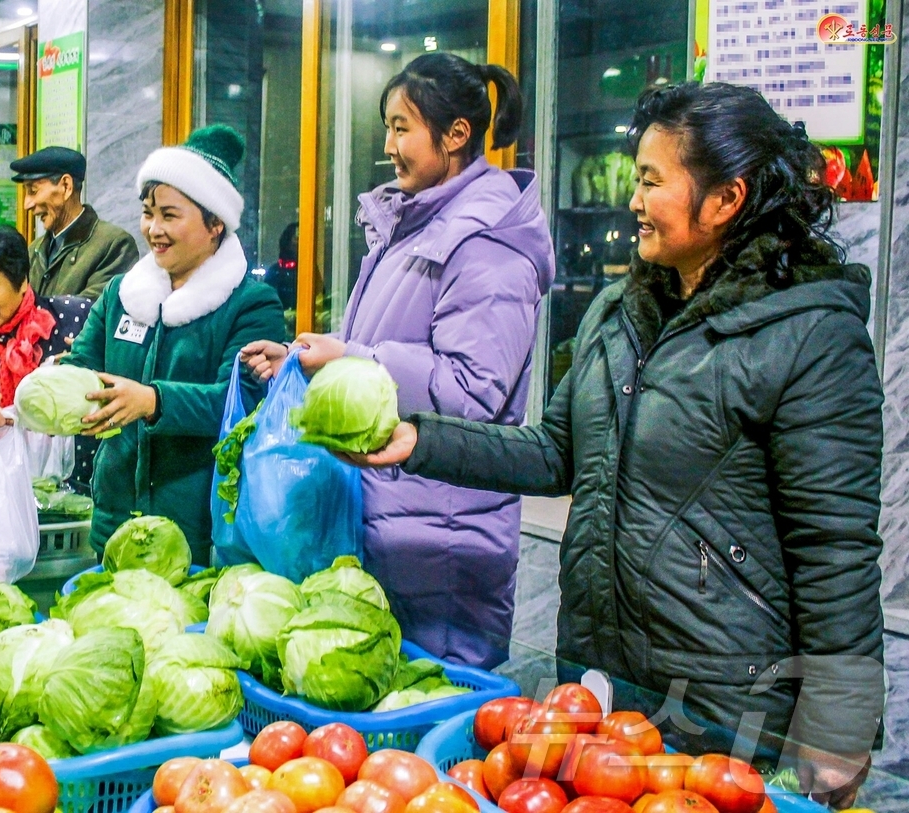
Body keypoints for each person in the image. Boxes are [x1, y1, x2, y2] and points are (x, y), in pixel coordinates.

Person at [356, 82, 884, 807]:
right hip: (600, 686)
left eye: (651, 181)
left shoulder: (812, 335)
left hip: (727, 705)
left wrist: (839, 728)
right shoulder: (619, 310)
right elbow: (553, 454)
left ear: (726, 199)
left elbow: (835, 548)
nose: (632, 202)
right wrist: (418, 438)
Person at [242, 53, 554, 668]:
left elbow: (472, 393)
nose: (387, 145)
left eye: (401, 127)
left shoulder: (487, 245)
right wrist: (309, 360)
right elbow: (388, 341)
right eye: (386, 127)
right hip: (394, 515)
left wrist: (349, 357)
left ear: (457, 134)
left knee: (433, 710)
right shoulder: (414, 223)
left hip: (443, 533)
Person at [0, 126, 286, 562]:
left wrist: (152, 401)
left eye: (169, 215)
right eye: (147, 212)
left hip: (200, 527)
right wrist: (42, 395)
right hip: (116, 520)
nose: (153, 229)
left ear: (215, 223)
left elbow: (242, 406)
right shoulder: (123, 294)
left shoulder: (250, 304)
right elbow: (84, 363)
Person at [0, 228, 95, 484]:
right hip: (7, 491)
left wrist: (87, 364)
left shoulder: (76, 318)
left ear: (22, 281)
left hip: (87, 482)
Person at [11, 146, 139, 299]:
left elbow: (93, 312)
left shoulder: (114, 245)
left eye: (33, 191)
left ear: (66, 186)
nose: (27, 204)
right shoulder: (33, 251)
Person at [256, 222, 299, 310]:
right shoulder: (275, 272)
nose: (299, 243)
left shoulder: (309, 271)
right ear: (287, 242)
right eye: (296, 238)